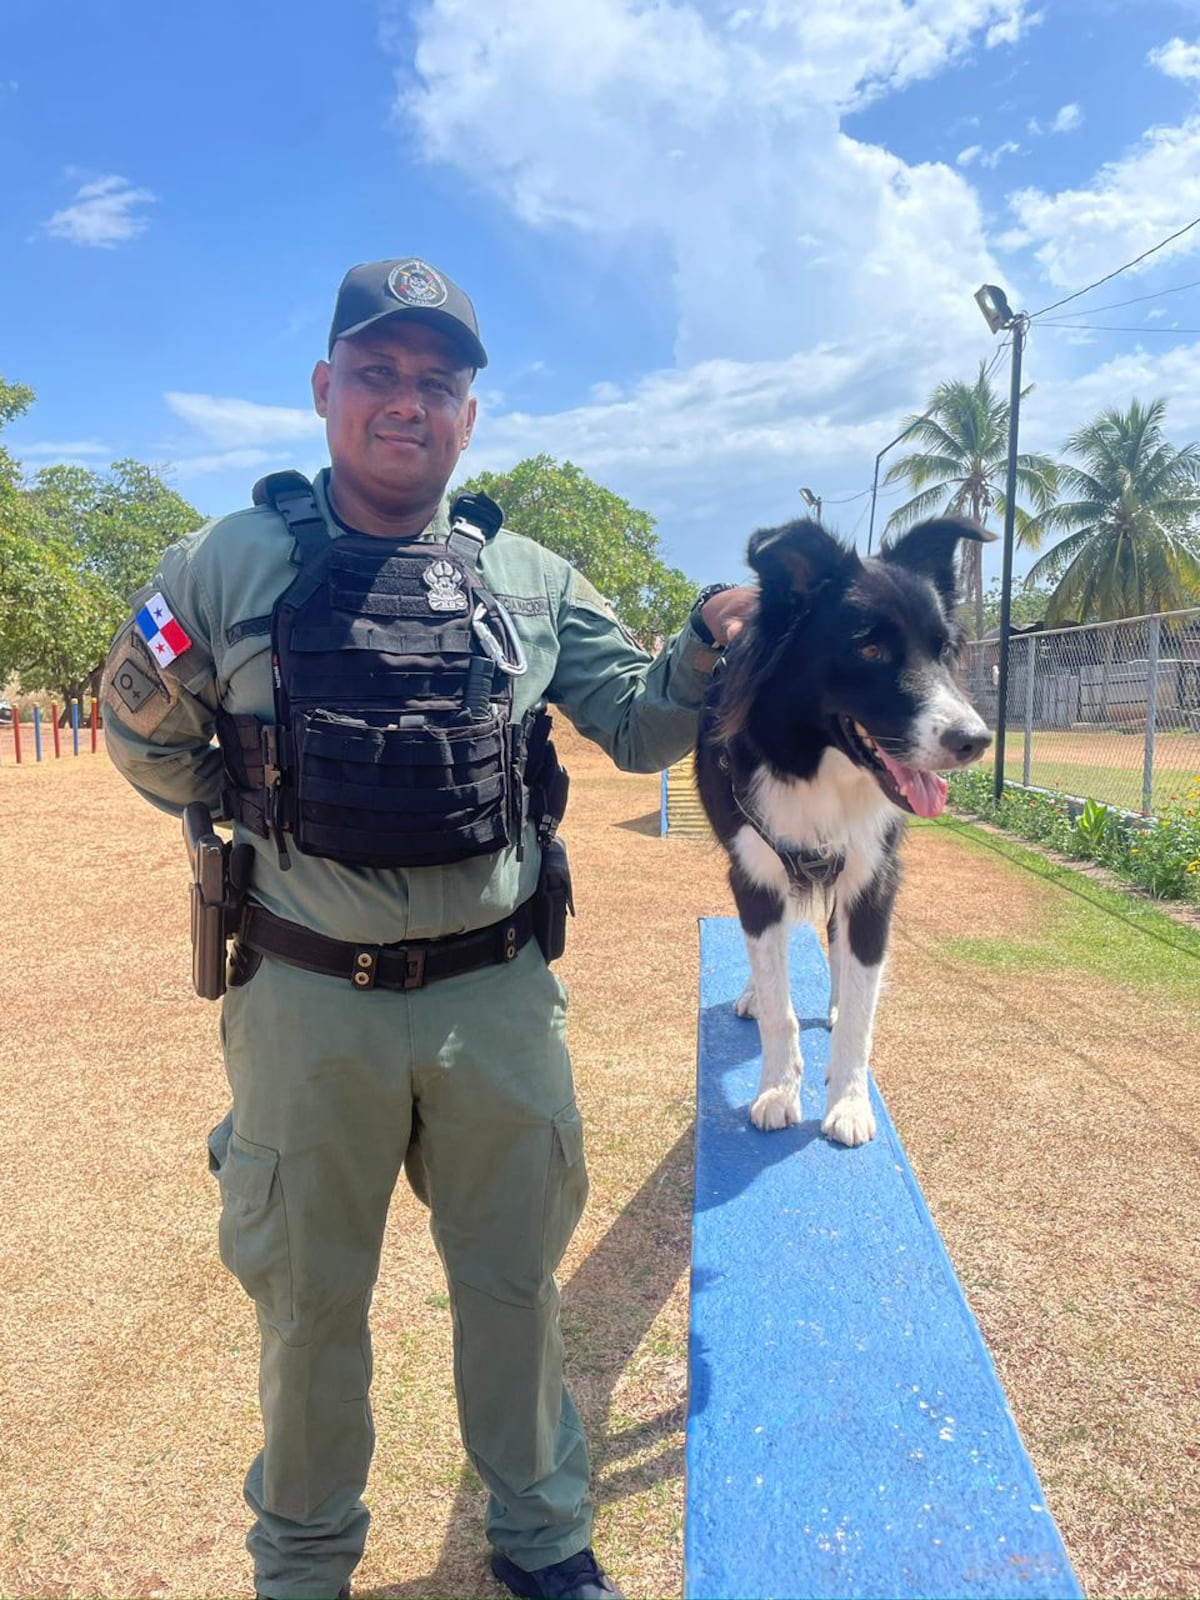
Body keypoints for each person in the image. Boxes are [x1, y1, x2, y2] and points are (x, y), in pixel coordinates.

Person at [102, 257, 754, 1600]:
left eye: (440, 383)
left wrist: (701, 646)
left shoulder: (529, 573)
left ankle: (540, 1538)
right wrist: (244, 789)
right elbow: (135, 719)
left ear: (469, 410)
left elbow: (637, 721)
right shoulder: (219, 564)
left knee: (514, 1288)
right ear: (325, 387)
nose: (410, 402)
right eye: (382, 374)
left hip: (495, 997)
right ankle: (302, 1564)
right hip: (303, 998)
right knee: (306, 1304)